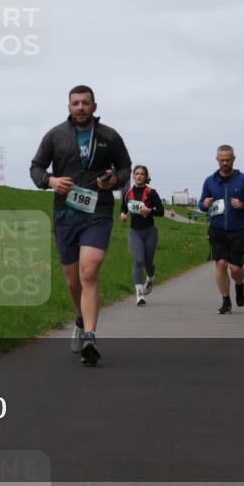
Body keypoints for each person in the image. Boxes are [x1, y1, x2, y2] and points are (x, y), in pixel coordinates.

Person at [30, 85, 131, 365]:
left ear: (94, 106)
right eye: (76, 103)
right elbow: (36, 167)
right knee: (73, 280)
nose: (81, 108)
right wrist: (50, 181)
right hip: (66, 214)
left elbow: (125, 168)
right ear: (69, 107)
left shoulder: (109, 136)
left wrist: (114, 181)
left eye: (86, 103)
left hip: (98, 210)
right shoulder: (55, 136)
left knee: (90, 269)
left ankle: (90, 335)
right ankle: (80, 319)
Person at [198, 145, 244, 314]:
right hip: (216, 229)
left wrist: (243, 204)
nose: (224, 163)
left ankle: (240, 285)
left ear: (233, 159)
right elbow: (201, 204)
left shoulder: (243, 180)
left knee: (236, 269)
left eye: (228, 159)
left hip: (237, 229)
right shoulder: (210, 181)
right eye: (221, 160)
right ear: (217, 159)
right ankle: (226, 301)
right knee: (221, 264)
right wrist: (205, 204)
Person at [119, 165, 165, 306]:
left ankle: (150, 277)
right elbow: (123, 207)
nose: (139, 176)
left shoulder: (151, 193)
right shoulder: (128, 193)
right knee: (138, 261)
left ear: (146, 177)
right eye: (137, 174)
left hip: (150, 232)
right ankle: (139, 295)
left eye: (142, 174)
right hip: (135, 232)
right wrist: (123, 214)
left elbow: (161, 211)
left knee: (148, 263)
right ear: (133, 176)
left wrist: (149, 210)